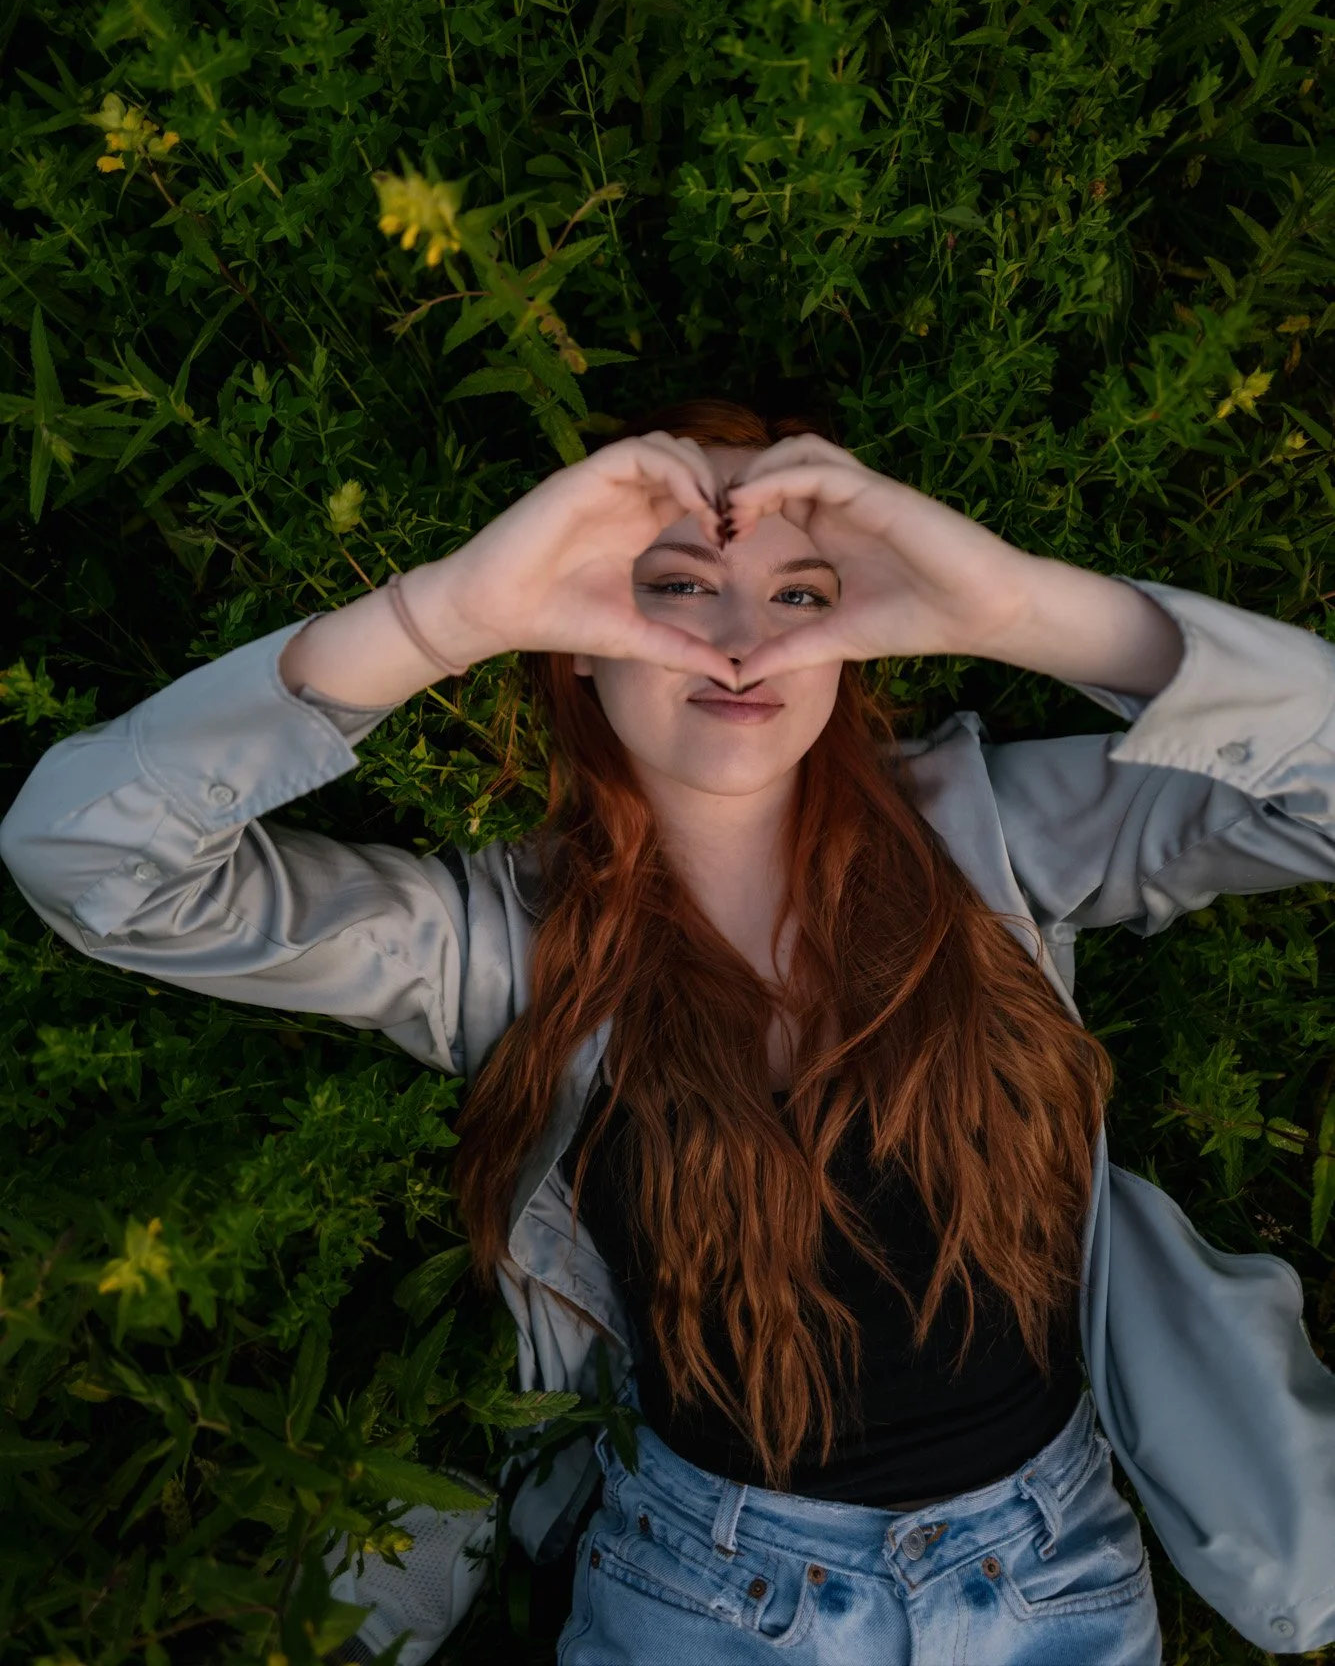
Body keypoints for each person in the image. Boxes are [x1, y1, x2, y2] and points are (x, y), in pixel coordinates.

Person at [4, 397, 1335, 1666]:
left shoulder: (998, 839)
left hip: (1051, 1578)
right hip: (703, 1594)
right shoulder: (499, 948)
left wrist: (1022, 608)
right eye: (675, 587)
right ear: (571, 632)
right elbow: (91, 860)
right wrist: (447, 612)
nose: (741, 641)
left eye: (798, 593)